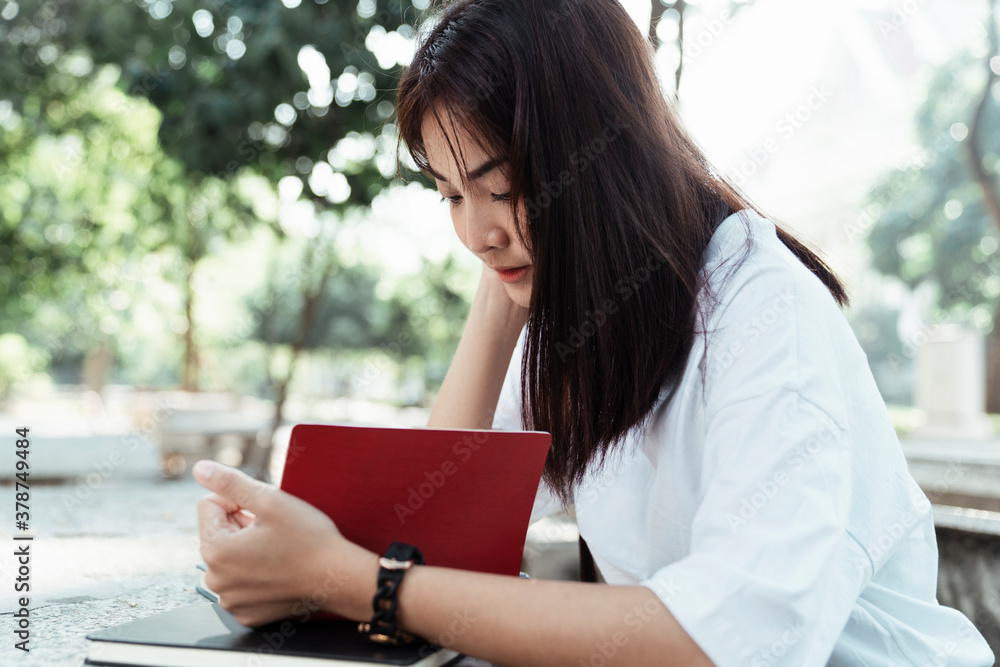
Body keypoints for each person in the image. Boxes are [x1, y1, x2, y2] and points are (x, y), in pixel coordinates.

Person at [193, 1, 995, 665]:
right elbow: (435, 530)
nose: (473, 232)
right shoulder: (582, 315)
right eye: (449, 195)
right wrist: (497, 302)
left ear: (601, 156)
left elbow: (731, 642)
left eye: (499, 185)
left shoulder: (761, 310)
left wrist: (353, 583)